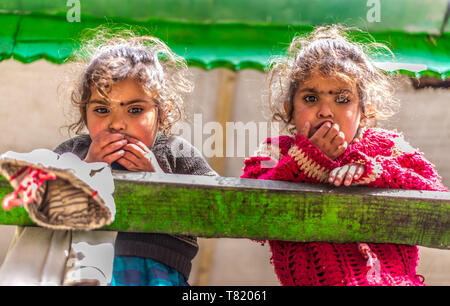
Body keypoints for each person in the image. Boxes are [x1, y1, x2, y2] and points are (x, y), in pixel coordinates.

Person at [241, 25, 448, 286]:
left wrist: (374, 172)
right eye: (311, 98)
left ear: (365, 109)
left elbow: (438, 198)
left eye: (342, 99)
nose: (325, 111)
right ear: (289, 109)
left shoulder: (390, 148)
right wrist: (307, 161)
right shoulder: (275, 152)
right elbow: (248, 208)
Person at [52, 27, 217, 286]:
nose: (117, 124)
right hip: (82, 270)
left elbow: (218, 207)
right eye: (102, 109)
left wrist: (160, 180)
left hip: (158, 273)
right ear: (84, 113)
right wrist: (86, 170)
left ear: (162, 113)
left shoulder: (175, 153)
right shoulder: (73, 153)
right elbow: (42, 202)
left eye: (135, 109)